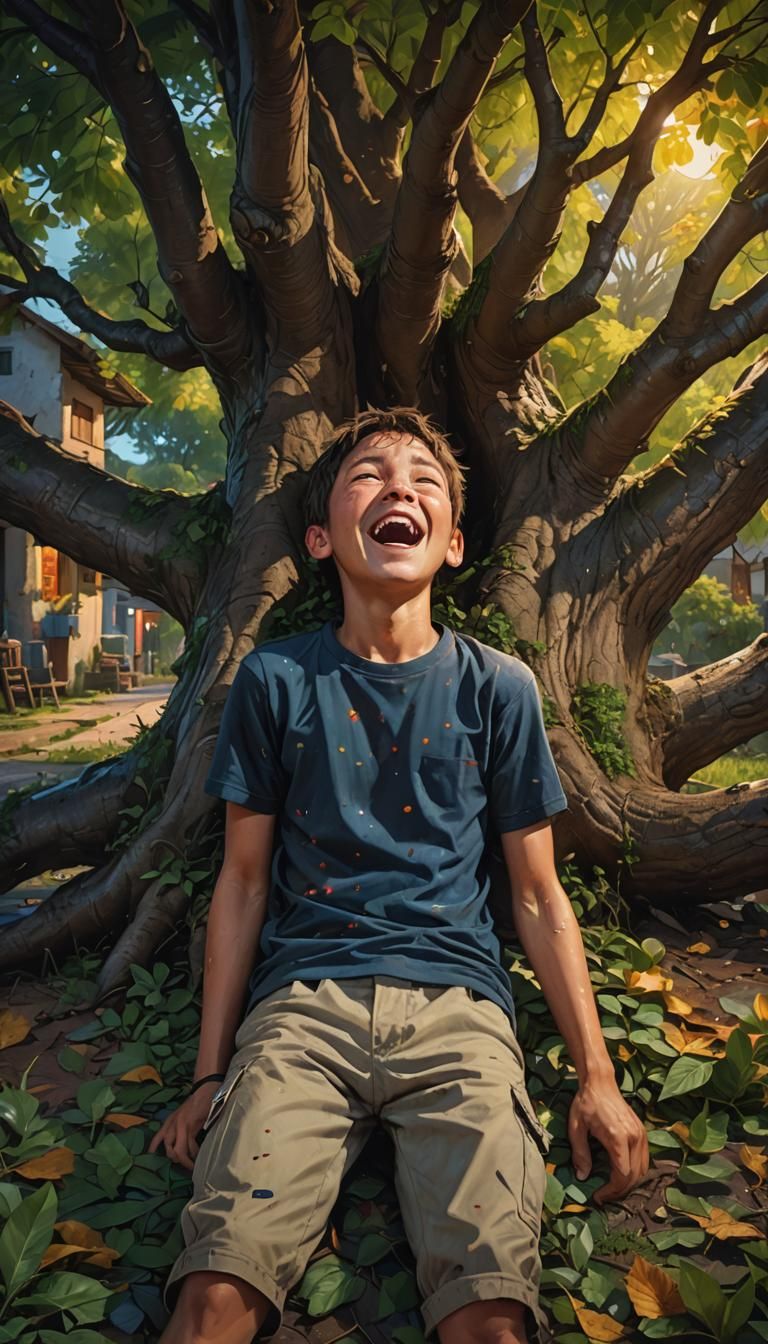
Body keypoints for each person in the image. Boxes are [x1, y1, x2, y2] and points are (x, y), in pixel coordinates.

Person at [151, 407, 649, 1344]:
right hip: (303, 1010)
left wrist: (598, 1076)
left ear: (453, 542)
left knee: (494, 1314)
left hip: (460, 1012)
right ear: (319, 535)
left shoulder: (498, 686)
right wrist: (210, 1072)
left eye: (425, 479)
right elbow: (243, 883)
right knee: (215, 1294)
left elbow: (540, 896)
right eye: (368, 476)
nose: (399, 489)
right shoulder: (276, 681)